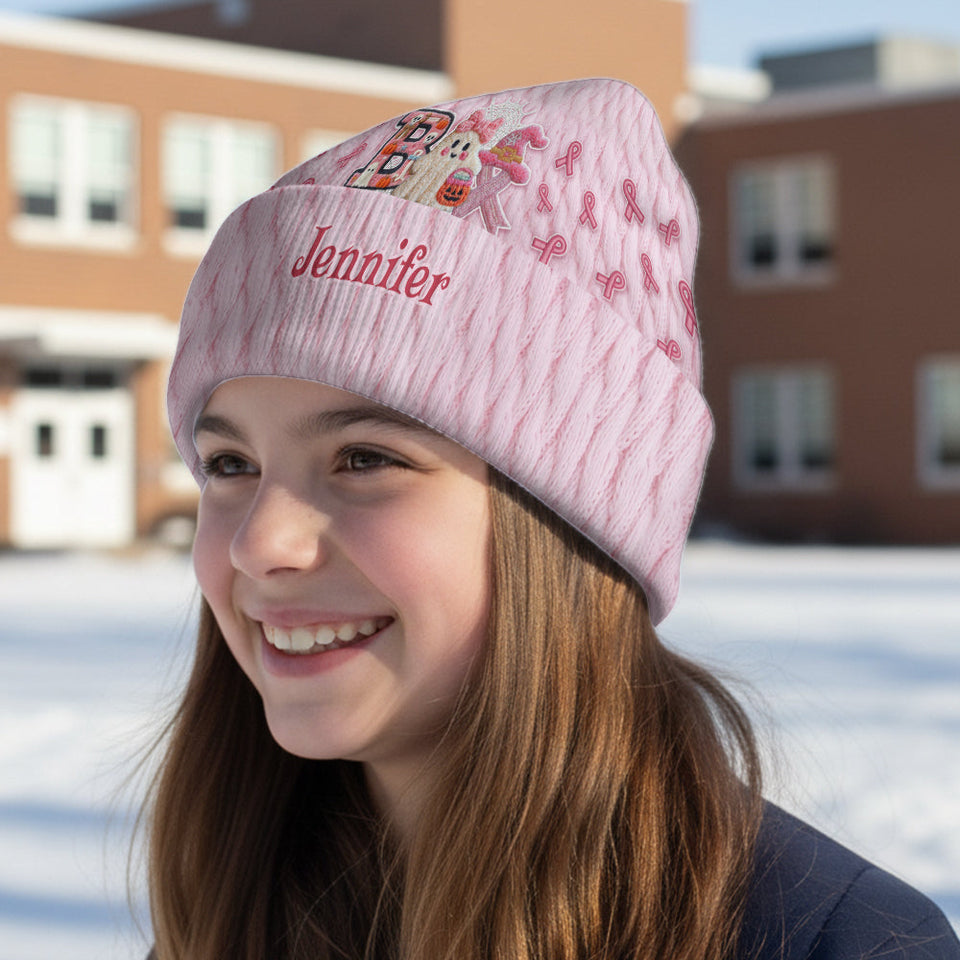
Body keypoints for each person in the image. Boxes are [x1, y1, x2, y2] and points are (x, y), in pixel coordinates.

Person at [152, 78, 959, 960]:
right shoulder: (234, 910)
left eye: (366, 459)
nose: (262, 542)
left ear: (573, 521)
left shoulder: (838, 945)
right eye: (230, 464)